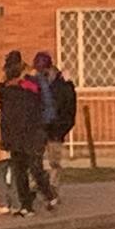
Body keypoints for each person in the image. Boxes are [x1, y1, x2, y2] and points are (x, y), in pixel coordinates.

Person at [0, 50, 57, 217]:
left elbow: (40, 105)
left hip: (31, 133)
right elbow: (5, 116)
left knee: (33, 167)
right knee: (20, 171)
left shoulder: (29, 85)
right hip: (19, 134)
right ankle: (27, 205)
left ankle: (46, 194)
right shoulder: (7, 90)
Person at [32, 51, 77, 192]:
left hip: (55, 127)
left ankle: (53, 187)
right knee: (35, 159)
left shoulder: (62, 84)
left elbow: (69, 106)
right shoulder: (35, 82)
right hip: (39, 126)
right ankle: (39, 184)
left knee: (54, 161)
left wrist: (64, 126)